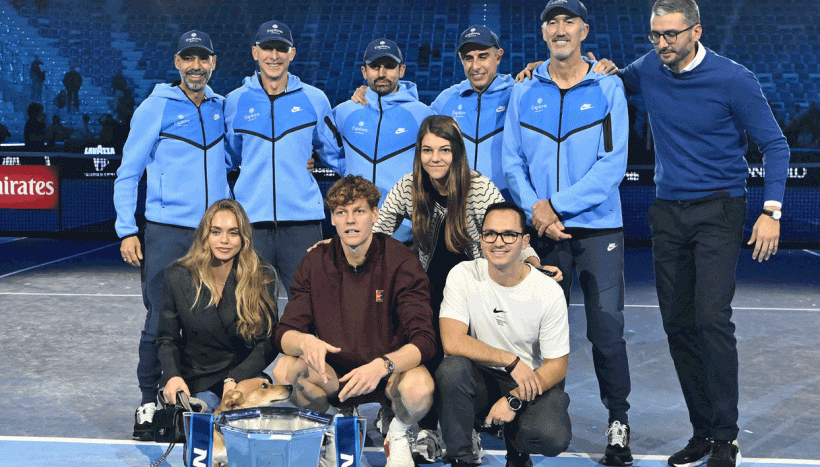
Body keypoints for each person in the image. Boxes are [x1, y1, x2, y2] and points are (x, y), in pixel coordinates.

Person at [618, 1, 790, 465]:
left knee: (711, 319)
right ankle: (703, 431)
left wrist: (770, 211)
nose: (661, 44)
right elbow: (607, 78)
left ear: (696, 31)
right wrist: (549, 67)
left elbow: (775, 144)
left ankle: (726, 437)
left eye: (670, 35)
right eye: (654, 35)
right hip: (667, 212)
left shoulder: (734, 78)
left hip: (719, 208)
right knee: (677, 325)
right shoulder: (650, 67)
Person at [373, 115, 554, 463]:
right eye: (427, 150)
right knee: (427, 355)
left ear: (457, 152)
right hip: (427, 290)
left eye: (444, 150)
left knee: (461, 363)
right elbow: (379, 232)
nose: (435, 158)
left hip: (471, 289)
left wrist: (531, 259)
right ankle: (425, 427)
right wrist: (334, 250)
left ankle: (466, 428)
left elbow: (505, 226)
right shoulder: (409, 187)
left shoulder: (479, 188)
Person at [502, 1, 633, 465]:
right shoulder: (523, 90)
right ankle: (523, 429)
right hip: (540, 231)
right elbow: (511, 160)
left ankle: (618, 422)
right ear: (543, 33)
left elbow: (612, 165)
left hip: (598, 230)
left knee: (607, 332)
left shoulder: (608, 87)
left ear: (584, 30)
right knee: (527, 336)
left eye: (568, 22)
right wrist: (538, 213)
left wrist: (553, 206)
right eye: (552, 22)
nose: (560, 29)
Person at [272, 175, 436, 467]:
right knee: (286, 370)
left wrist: (382, 365)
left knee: (419, 388)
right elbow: (284, 332)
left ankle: (396, 434)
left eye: (359, 211)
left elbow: (424, 340)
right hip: (335, 374)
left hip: (387, 372)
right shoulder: (315, 261)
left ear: (375, 214)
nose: (350, 220)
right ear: (331, 219)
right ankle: (337, 426)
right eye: (340, 212)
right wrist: (304, 341)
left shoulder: (401, 261)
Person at [113, 29, 229, 441]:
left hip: (214, 235)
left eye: (203, 58)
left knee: (213, 320)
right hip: (166, 232)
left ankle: (202, 399)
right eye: (188, 59)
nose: (196, 66)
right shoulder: (154, 107)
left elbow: (239, 153)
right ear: (177, 63)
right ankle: (148, 401)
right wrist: (127, 229)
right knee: (158, 321)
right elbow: (128, 171)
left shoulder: (222, 107)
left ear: (213, 63)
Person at [351, 27, 614, 202]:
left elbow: (560, 88)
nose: (476, 66)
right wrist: (368, 94)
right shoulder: (444, 101)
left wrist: (593, 67)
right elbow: (405, 119)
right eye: (468, 58)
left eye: (483, 56)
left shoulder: (520, 91)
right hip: (456, 213)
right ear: (460, 59)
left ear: (498, 57)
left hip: (508, 209)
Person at [437, 202, 572, 467]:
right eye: (490, 234)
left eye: (509, 234)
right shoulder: (462, 275)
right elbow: (452, 341)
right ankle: (461, 457)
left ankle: (518, 450)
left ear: (525, 241)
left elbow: (557, 366)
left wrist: (513, 400)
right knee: (450, 370)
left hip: (528, 383)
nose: (498, 242)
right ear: (481, 238)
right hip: (481, 378)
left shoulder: (548, 292)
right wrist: (509, 360)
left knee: (552, 436)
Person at [225, 20, 343, 299]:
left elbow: (336, 155)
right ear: (255, 52)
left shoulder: (315, 99)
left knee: (308, 309)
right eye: (267, 48)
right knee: (253, 312)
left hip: (302, 225)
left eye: (281, 49)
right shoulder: (235, 101)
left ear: (292, 53)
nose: (274, 55)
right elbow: (227, 159)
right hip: (252, 224)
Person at [157, 199, 278, 412]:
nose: (224, 241)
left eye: (233, 233)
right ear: (205, 235)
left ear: (244, 238)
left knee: (243, 419)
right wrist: (172, 376)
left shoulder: (262, 275)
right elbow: (168, 339)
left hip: (242, 375)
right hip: (196, 377)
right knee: (206, 418)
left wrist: (235, 378)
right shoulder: (178, 276)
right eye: (216, 232)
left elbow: (267, 342)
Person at [322, 38, 435, 242]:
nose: (382, 73)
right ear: (364, 72)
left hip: (405, 233)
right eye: (375, 66)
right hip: (355, 230)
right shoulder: (344, 112)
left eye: (389, 66)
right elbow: (325, 147)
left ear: (401, 70)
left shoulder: (423, 115)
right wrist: (350, 170)